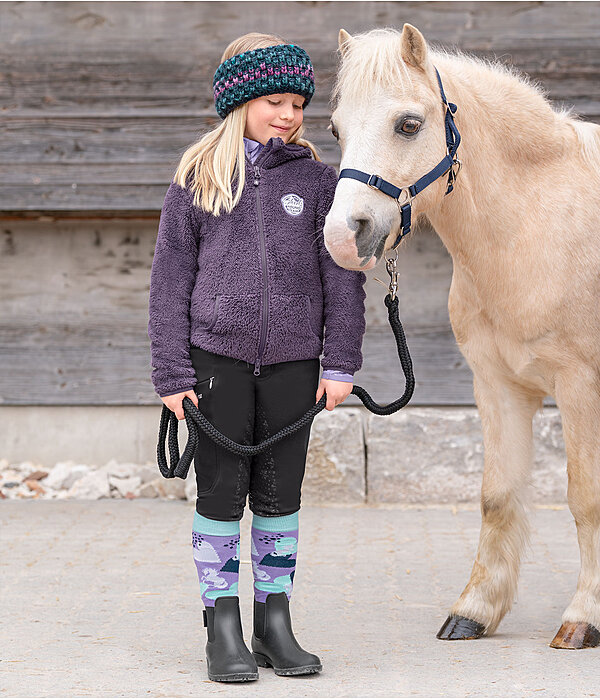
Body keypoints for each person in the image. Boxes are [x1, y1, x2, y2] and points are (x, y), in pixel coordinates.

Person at [147, 33, 367, 683]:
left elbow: (343, 281)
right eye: (274, 100)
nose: (289, 113)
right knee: (219, 494)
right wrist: (171, 373)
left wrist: (339, 363)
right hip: (216, 361)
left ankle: (274, 621)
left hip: (295, 364)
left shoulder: (320, 183)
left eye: (298, 102)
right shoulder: (197, 180)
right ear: (239, 102)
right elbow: (168, 285)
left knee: (280, 494)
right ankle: (222, 624)